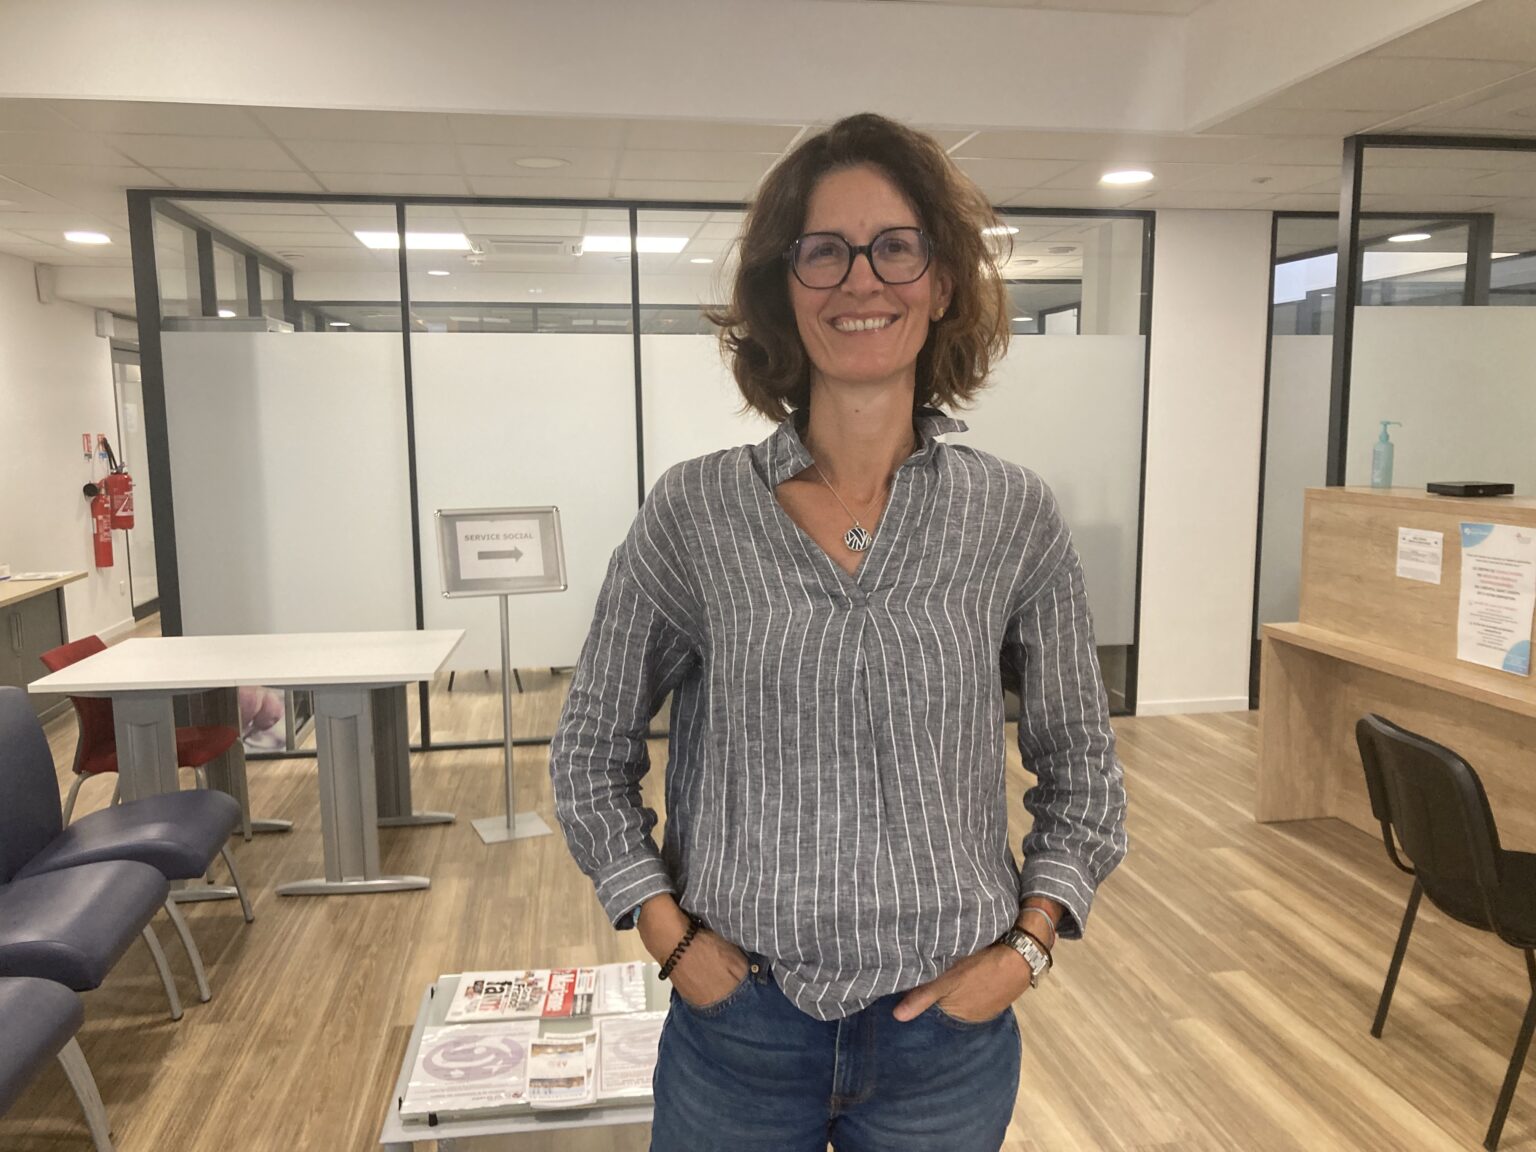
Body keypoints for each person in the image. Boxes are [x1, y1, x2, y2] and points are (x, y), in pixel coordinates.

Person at [550, 112, 1128, 1152]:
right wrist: (670, 938)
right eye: (825, 251)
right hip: (740, 1031)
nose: (862, 280)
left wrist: (1027, 950)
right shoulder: (697, 513)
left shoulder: (1010, 517)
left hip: (944, 1046)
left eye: (896, 247)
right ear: (784, 287)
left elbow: (1083, 768)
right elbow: (590, 752)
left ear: (940, 283)